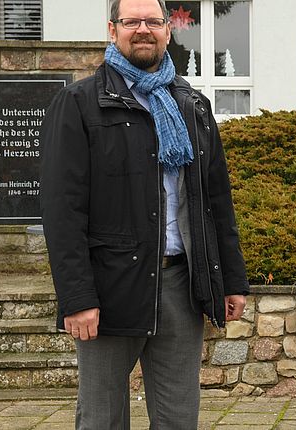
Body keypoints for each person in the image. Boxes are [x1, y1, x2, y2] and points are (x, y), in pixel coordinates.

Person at [40, 0, 248, 428]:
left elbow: (216, 201)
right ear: (112, 30)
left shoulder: (192, 105)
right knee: (101, 418)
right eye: (131, 21)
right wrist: (77, 299)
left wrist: (230, 280)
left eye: (153, 21)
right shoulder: (79, 103)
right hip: (110, 287)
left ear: (168, 31)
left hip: (180, 284)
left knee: (178, 419)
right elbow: (63, 211)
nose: (143, 30)